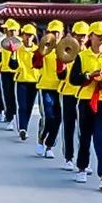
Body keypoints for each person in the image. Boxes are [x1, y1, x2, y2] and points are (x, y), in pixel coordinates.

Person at [68, 22, 102, 189]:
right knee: (85, 136)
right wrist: (88, 76)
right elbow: (73, 79)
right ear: (90, 37)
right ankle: (82, 167)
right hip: (85, 100)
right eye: (98, 36)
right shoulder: (82, 57)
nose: (101, 39)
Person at [60, 21, 89, 171]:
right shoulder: (64, 50)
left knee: (84, 129)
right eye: (79, 35)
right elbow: (61, 74)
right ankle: (68, 157)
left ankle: (83, 161)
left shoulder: (89, 54)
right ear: (73, 35)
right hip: (68, 92)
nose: (81, 39)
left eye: (84, 36)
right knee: (69, 125)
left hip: (84, 95)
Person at [34, 20, 64, 159]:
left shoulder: (67, 48)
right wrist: (41, 51)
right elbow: (36, 63)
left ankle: (50, 145)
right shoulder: (43, 48)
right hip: (45, 86)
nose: (55, 35)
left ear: (62, 33)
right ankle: (41, 139)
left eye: (57, 32)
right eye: (52, 32)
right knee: (48, 116)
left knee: (58, 118)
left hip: (61, 88)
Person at [13, 24, 40, 141]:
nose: (28, 37)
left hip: (34, 81)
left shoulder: (38, 50)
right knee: (22, 106)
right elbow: (12, 65)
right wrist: (13, 54)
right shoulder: (18, 48)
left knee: (29, 107)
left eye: (31, 35)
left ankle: (26, 127)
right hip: (21, 80)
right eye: (26, 35)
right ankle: (22, 128)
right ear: (22, 35)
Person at [0, 19, 20, 130]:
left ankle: (16, 117)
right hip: (5, 71)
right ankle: (10, 116)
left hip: (18, 73)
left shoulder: (20, 43)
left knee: (16, 97)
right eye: (7, 30)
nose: (9, 32)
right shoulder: (2, 41)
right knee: (7, 95)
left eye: (12, 30)